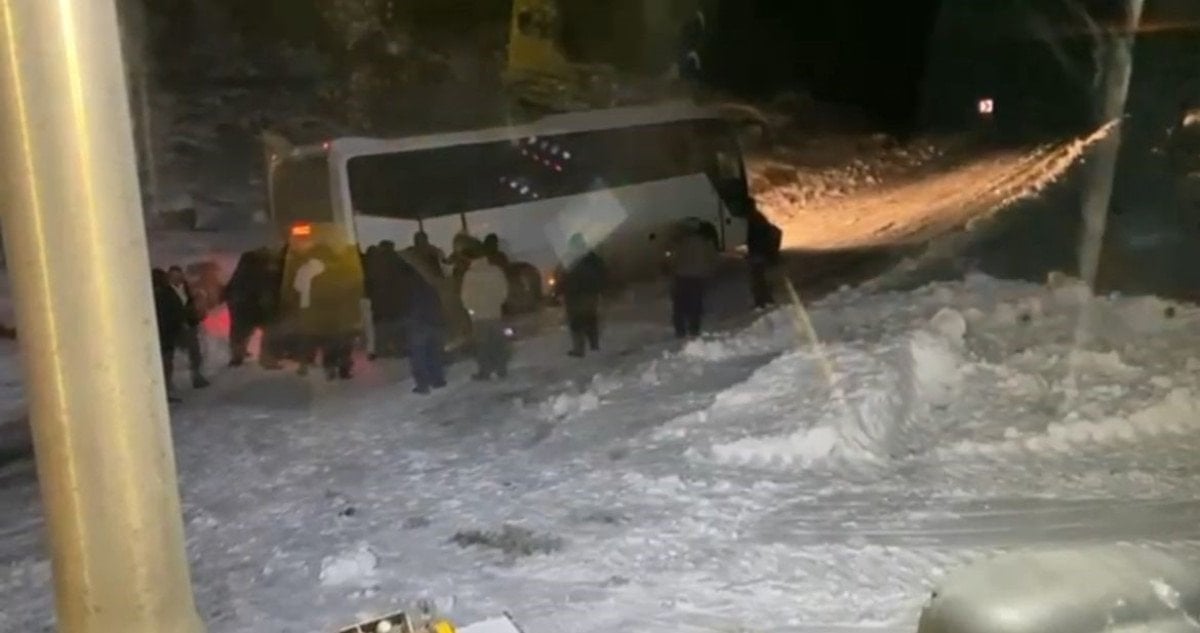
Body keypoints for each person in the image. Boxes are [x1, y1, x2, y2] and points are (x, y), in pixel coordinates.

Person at [398, 253, 447, 394]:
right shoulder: (428, 280)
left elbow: (406, 305)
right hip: (433, 320)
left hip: (417, 323)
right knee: (433, 352)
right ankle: (438, 380)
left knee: (418, 356)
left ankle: (423, 385)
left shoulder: (405, 284)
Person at [460, 250, 512, 380]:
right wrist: (498, 303)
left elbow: (465, 297)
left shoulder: (470, 275)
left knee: (482, 345)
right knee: (498, 342)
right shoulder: (496, 271)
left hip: (479, 316)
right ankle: (501, 369)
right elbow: (504, 290)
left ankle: (485, 371)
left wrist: (471, 310)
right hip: (495, 313)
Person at [667, 219, 719, 339]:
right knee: (695, 305)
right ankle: (694, 330)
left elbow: (672, 259)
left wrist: (673, 271)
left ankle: (680, 331)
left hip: (681, 277)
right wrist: (709, 273)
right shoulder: (706, 242)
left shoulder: (680, 242)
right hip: (697, 278)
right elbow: (712, 259)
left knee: (679, 306)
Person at [557, 233, 607, 357]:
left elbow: (563, 277)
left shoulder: (569, 258)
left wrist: (558, 291)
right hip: (590, 294)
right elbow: (602, 271)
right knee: (591, 319)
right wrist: (599, 288)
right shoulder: (591, 257)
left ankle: (579, 350)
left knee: (576, 323)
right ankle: (594, 345)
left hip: (574, 296)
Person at [223, 247, 274, 366]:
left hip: (241, 307)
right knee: (270, 330)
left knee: (239, 332)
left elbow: (230, 289)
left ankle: (237, 357)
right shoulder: (264, 272)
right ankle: (266, 358)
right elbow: (266, 289)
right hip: (255, 307)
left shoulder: (242, 271)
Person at [162, 265, 210, 389]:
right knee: (168, 356)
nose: (176, 279)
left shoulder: (189, 289)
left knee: (195, 353)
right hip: (172, 328)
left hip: (189, 325)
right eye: (173, 276)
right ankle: (167, 384)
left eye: (178, 276)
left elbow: (196, 304)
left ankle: (197, 377)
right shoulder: (164, 292)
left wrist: (197, 314)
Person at [152, 268, 184, 403]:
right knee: (165, 366)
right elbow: (177, 310)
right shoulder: (167, 293)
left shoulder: (145, 293)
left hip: (154, 337)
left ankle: (157, 393)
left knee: (155, 366)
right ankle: (162, 393)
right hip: (166, 336)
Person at [745, 209, 782, 310]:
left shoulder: (752, 227)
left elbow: (751, 242)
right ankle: (768, 300)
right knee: (764, 280)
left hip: (756, 256)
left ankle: (760, 303)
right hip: (765, 256)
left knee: (757, 280)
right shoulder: (765, 226)